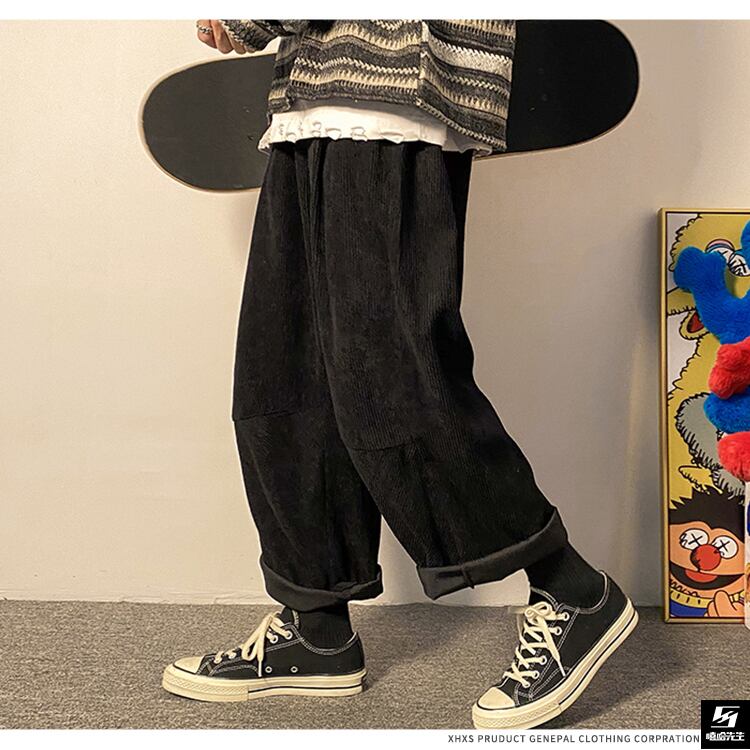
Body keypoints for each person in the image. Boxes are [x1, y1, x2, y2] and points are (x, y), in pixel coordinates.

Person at [161, 19, 638, 729]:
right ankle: (317, 626)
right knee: (287, 376)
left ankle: (572, 589)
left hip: (399, 75)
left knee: (389, 376)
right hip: (313, 89)